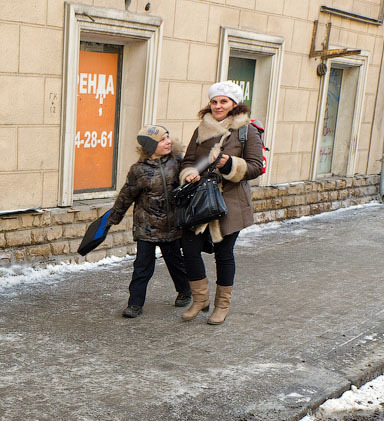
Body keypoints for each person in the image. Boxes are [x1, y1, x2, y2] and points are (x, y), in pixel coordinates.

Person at [179, 81, 265, 325]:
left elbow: (256, 166)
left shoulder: (246, 130)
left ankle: (221, 305)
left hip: (230, 202)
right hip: (200, 199)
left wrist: (230, 165)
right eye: (214, 101)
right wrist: (189, 174)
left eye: (223, 101)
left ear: (234, 104)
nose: (217, 106)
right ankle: (200, 299)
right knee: (190, 248)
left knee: (224, 253)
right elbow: (188, 160)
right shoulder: (201, 130)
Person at [106, 124, 191, 318]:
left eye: (168, 137)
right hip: (147, 226)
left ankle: (185, 291)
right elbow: (126, 195)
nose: (168, 141)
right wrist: (113, 218)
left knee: (175, 262)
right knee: (142, 266)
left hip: (171, 225)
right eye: (162, 139)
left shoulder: (178, 162)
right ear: (150, 146)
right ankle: (135, 304)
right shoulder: (138, 170)